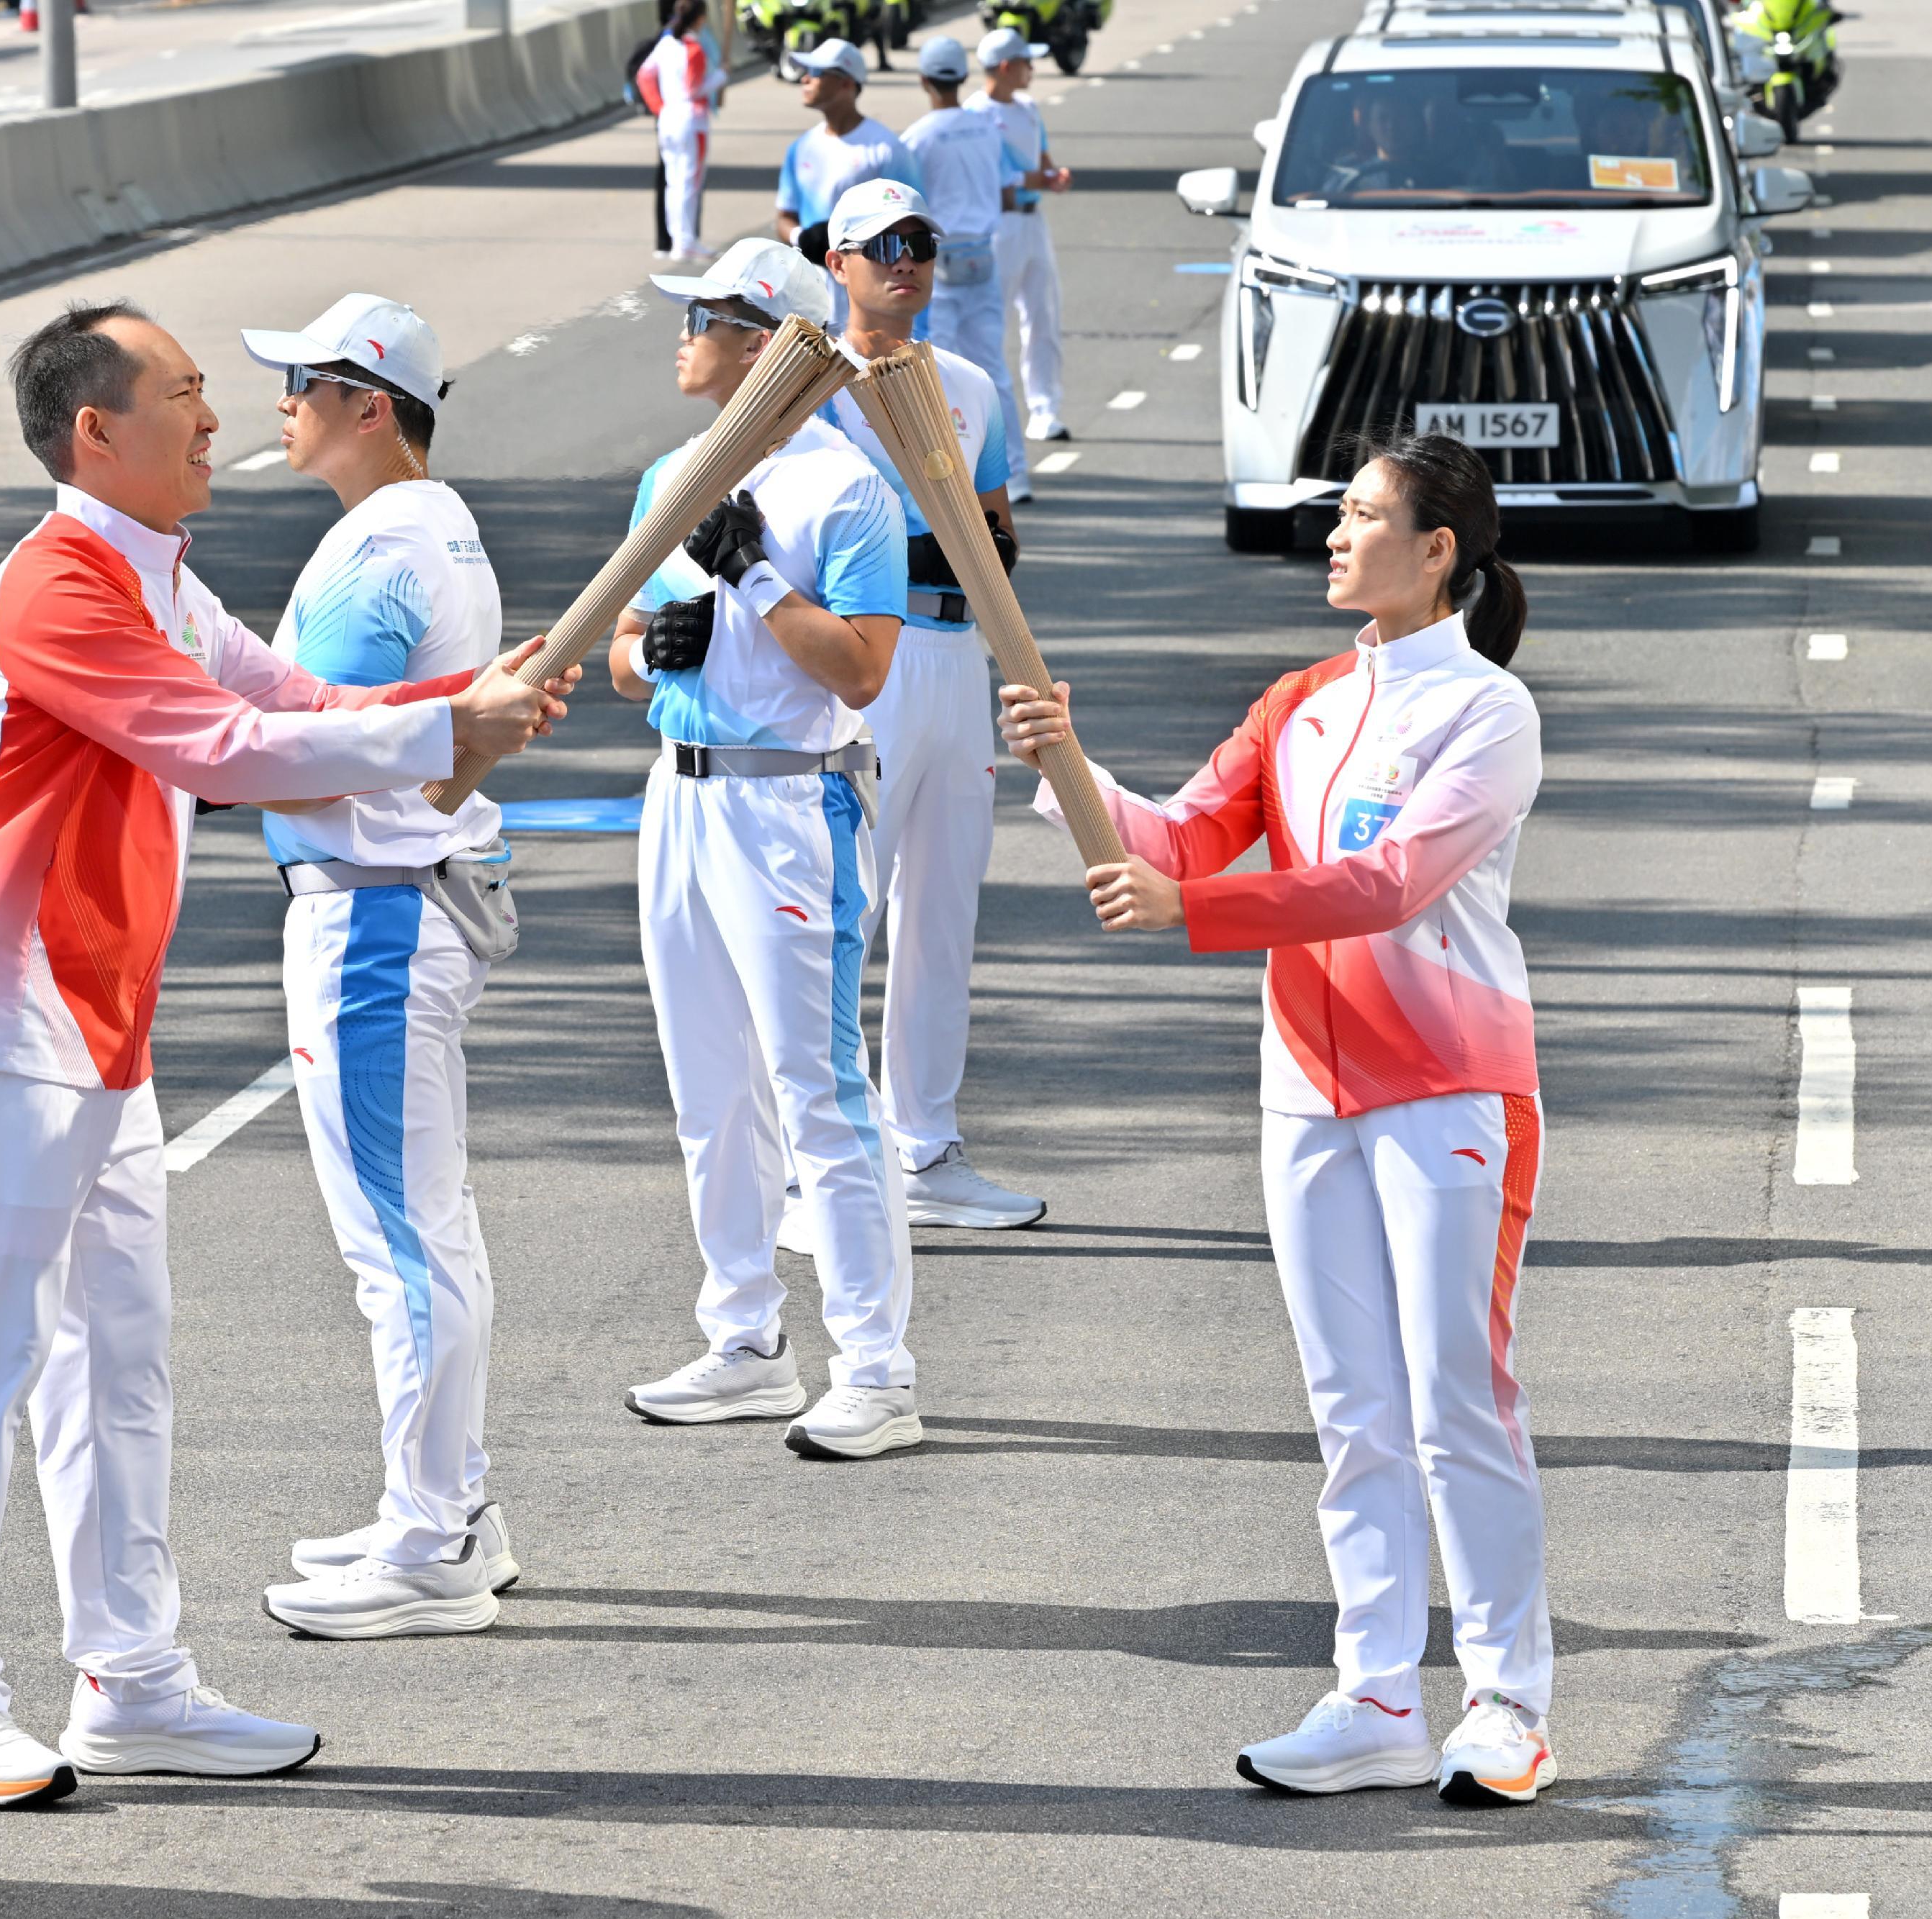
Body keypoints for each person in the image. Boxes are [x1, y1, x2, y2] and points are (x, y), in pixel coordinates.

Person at [0, 299, 576, 1805]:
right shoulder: (57, 584)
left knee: (119, 1368)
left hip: (100, 1033)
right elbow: (224, 752)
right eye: (185, 394)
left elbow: (298, 701)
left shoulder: (165, 581)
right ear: (95, 431)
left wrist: (460, 708)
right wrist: (444, 732)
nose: (212, 419)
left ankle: (130, 1677)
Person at [997, 432, 1555, 1808]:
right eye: (1339, 513)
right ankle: (1379, 1698)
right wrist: (1070, 763)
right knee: (1353, 1408)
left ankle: (1507, 1703)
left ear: (1438, 549)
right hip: (1307, 1088)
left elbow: (1388, 883)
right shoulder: (1300, 700)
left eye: (1362, 515)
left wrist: (1192, 911)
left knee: (1456, 1401)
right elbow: (1182, 838)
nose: (1335, 534)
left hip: (1448, 1085)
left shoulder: (1489, 713)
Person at [230, 296, 524, 1641]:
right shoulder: (432, 524)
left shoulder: (379, 552)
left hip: (374, 916)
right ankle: (450, 1499)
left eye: (302, 381)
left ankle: (429, 1542)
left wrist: (197, 749)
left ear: (369, 402)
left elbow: (303, 755)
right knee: (425, 1228)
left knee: (401, 1244)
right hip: (408, 899)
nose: (281, 403)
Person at [609, 236, 925, 1462]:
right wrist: (652, 653)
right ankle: (745, 1339)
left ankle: (877, 1369)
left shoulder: (848, 490)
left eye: (702, 317)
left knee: (820, 1093)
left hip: (792, 805)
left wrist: (748, 579)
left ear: (764, 345)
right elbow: (625, 648)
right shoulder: (669, 475)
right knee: (708, 1091)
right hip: (680, 795)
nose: (680, 337)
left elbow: (863, 668)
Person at [793, 177, 1043, 1241]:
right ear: (837, 262)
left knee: (943, 915)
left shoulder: (972, 384)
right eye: (883, 246)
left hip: (953, 660)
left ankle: (926, 1147)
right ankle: (816, 1165)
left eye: (921, 244)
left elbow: (995, 528)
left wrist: (983, 551)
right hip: (866, 664)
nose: (906, 261)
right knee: (845, 912)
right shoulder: (805, 385)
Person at [897, 37, 1024, 501]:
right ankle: (1016, 476)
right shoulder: (987, 129)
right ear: (963, 77)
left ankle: (954, 480)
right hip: (984, 257)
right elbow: (1008, 193)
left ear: (924, 81)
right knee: (994, 371)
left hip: (939, 263)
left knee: (938, 374)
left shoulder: (916, 138)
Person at [971, 26, 1071, 445]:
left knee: (1043, 316)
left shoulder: (1029, 107)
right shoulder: (975, 114)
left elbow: (1041, 159)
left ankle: (1045, 411)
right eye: (1028, 62)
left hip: (1032, 222)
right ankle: (983, 416)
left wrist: (1052, 175)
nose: (1033, 69)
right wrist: (1036, 178)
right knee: (991, 325)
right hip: (998, 226)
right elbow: (988, 177)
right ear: (1006, 67)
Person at [771, 39, 921, 250]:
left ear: (847, 84)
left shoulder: (887, 149)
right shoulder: (800, 148)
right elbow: (784, 217)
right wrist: (803, 239)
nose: (805, 78)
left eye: (816, 72)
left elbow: (914, 220)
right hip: (810, 271)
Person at [638, 0, 725, 263]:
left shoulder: (665, 44)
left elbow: (644, 76)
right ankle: (686, 242)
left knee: (673, 182)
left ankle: (679, 241)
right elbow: (694, 89)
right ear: (700, 19)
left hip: (668, 119)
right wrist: (720, 77)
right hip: (691, 121)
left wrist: (659, 107)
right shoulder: (693, 49)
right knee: (690, 183)